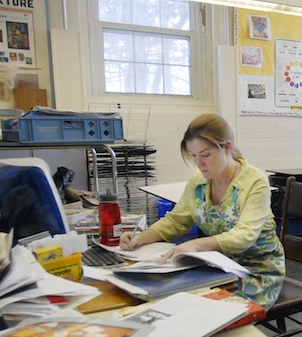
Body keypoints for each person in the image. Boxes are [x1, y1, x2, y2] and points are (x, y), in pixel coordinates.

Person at [120, 114, 285, 309]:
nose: (199, 163)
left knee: (212, 313)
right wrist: (140, 238)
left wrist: (196, 245)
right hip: (218, 266)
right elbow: (176, 221)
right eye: (193, 156)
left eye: (206, 155)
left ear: (227, 148)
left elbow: (245, 235)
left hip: (257, 270)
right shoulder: (199, 181)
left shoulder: (254, 181)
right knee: (166, 301)